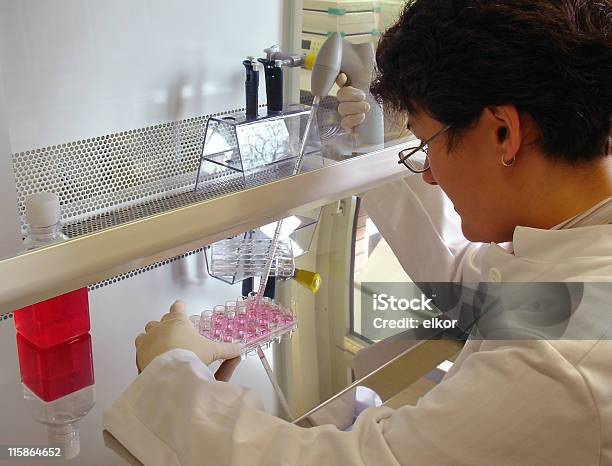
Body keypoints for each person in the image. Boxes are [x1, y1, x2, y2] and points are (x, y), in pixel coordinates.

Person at [103, 1, 612, 464]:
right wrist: (378, 145)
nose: (429, 174)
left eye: (427, 143)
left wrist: (171, 373)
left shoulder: (560, 359)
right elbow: (470, 284)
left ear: (504, 131)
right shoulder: (580, 242)